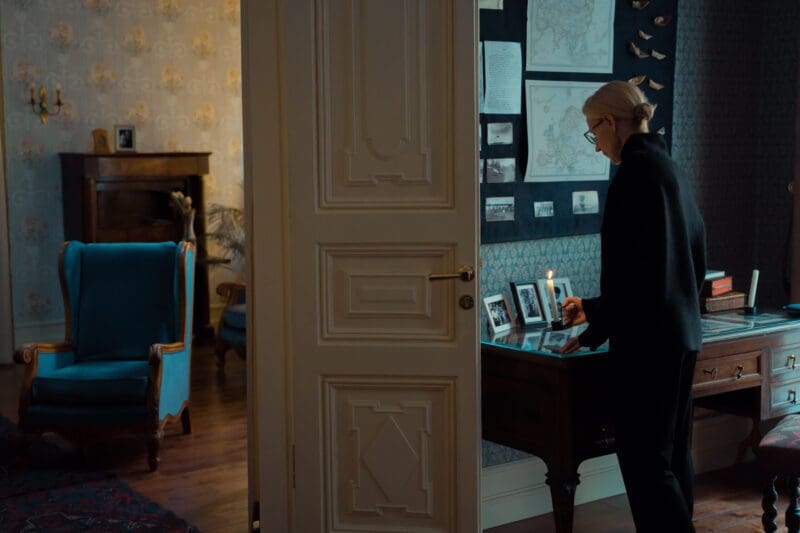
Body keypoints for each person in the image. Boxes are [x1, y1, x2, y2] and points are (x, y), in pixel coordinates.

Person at [559, 80, 706, 533]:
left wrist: (590, 333)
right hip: (683, 334)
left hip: (647, 347)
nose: (596, 145)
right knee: (672, 454)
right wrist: (591, 307)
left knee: (645, 464)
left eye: (593, 132)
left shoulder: (632, 177)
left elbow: (631, 277)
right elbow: (684, 263)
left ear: (609, 122)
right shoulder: (670, 169)